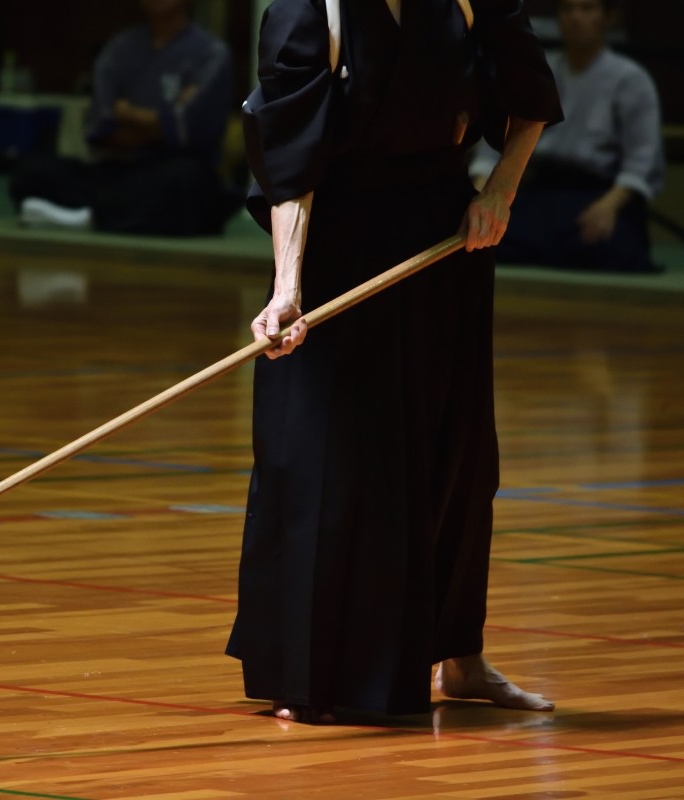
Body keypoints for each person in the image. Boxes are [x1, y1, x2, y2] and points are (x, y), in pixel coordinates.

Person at [227, 0, 563, 723]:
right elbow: (289, 162)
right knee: (322, 461)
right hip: (337, 246)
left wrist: (497, 192)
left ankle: (460, 657)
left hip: (445, 242)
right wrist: (289, 287)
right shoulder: (305, 13)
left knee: (455, 455)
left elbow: (531, 102)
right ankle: (307, 669)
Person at [8, 0, 236, 237]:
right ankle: (103, 215)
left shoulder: (211, 53)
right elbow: (102, 126)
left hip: (172, 169)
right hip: (119, 170)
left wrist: (128, 114)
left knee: (187, 183)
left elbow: (190, 127)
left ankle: (87, 215)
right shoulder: (119, 49)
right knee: (31, 171)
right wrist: (159, 123)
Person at [469, 0, 665, 272]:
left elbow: (641, 161)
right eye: (568, 9)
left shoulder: (631, 78)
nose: (576, 17)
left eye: (587, 9)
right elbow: (495, 144)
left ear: (608, 18)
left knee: (612, 245)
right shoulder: (539, 70)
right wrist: (482, 192)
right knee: (490, 236)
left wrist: (608, 206)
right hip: (539, 189)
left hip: (596, 192)